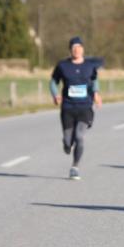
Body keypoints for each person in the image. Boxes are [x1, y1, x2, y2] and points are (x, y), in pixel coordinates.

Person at [50, 37, 102, 180]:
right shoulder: (62, 66)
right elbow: (53, 82)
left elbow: (94, 80)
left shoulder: (90, 66)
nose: (76, 50)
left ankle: (75, 167)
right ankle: (67, 144)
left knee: (79, 136)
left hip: (85, 107)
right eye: (74, 48)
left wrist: (96, 94)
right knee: (68, 141)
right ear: (70, 50)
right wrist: (55, 95)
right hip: (68, 107)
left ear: (83, 49)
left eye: (79, 47)